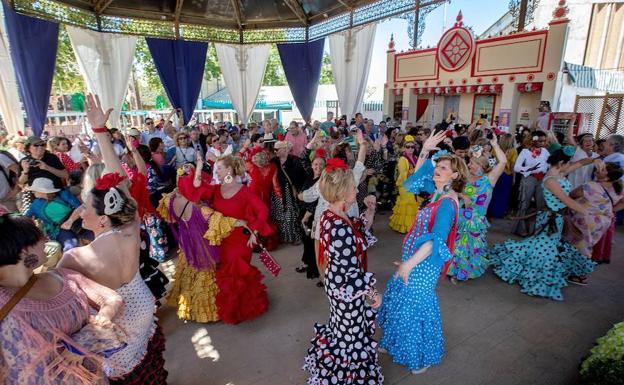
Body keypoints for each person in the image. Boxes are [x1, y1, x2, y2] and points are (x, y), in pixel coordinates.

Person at [58, 94, 167, 384]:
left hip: (118, 332)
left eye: (85, 209)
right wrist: (100, 134)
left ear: (103, 218)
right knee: (149, 364)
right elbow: (119, 182)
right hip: (144, 310)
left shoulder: (75, 259)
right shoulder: (127, 233)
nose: (81, 216)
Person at [0, 213, 125, 385]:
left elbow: (113, 299)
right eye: (39, 236)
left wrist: (85, 340)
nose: (46, 240)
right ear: (23, 250)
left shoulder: (63, 277)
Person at [378, 136, 467, 374]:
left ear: (455, 176)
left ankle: (420, 356)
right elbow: (413, 183)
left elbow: (435, 242)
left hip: (424, 264)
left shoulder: (447, 203)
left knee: (414, 308)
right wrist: (425, 152)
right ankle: (394, 341)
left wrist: (408, 265)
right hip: (412, 258)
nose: (437, 170)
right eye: (437, 166)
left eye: (443, 168)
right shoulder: (436, 192)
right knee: (399, 300)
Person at [302, 158, 383, 385]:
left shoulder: (332, 213)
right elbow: (350, 271)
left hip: (339, 285)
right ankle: (348, 376)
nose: (357, 189)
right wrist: (373, 294)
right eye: (353, 187)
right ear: (342, 191)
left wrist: (370, 211)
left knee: (342, 328)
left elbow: (358, 231)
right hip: (346, 288)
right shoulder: (337, 224)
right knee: (352, 333)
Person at [489, 147, 597, 300]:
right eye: (567, 163)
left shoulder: (560, 173)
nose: (569, 165)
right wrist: (588, 212)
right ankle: (536, 275)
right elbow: (566, 201)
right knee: (544, 247)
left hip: (557, 219)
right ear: (561, 163)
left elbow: (580, 163)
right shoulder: (551, 181)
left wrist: (596, 160)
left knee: (544, 246)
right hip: (549, 219)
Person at [157, 159, 229, 323]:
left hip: (185, 240)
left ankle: (188, 307)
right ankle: (206, 312)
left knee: (190, 271)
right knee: (205, 274)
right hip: (202, 242)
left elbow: (170, 219)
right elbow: (222, 223)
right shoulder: (199, 207)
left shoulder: (169, 199)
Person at [207, 155, 274, 324]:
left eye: (219, 168)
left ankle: (237, 310)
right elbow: (195, 194)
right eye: (216, 169)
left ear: (229, 170)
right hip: (222, 239)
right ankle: (233, 306)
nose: (217, 172)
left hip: (239, 241)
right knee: (225, 274)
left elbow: (263, 211)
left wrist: (254, 231)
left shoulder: (245, 190)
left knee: (236, 274)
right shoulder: (216, 189)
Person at [447, 136, 506, 283]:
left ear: (483, 167)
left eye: (474, 164)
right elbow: (449, 189)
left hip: (476, 221)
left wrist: (495, 145)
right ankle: (454, 270)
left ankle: (466, 271)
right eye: (470, 163)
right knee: (458, 245)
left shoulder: (489, 179)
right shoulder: (465, 177)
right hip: (460, 217)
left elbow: (503, 162)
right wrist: (462, 196)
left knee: (471, 247)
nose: (470, 166)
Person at [565, 162, 624, 262]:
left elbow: (572, 194)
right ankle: (581, 267)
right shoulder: (619, 187)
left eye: (603, 169)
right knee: (587, 244)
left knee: (576, 244)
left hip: (584, 219)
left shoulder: (591, 186)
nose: (599, 169)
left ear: (607, 177)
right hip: (603, 222)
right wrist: (612, 210)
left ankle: (575, 268)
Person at [24, 177, 85, 252]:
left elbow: (80, 207)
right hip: (58, 229)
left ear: (42, 191)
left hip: (76, 220)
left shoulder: (63, 194)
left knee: (92, 234)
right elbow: (25, 218)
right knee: (71, 245)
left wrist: (71, 220)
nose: (32, 192)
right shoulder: (35, 204)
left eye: (34, 190)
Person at [511, 130, 550, 236]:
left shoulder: (545, 151)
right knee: (524, 203)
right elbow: (516, 167)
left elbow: (549, 164)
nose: (542, 143)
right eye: (540, 141)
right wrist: (530, 169)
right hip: (529, 179)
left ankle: (538, 230)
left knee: (541, 205)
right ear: (533, 140)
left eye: (544, 141)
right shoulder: (525, 152)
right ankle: (520, 229)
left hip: (542, 179)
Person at [296, 150, 326, 283]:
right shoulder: (309, 175)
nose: (318, 167)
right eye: (315, 164)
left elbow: (317, 201)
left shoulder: (323, 180)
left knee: (317, 246)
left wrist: (307, 215)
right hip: (305, 214)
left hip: (315, 216)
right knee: (307, 243)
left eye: (321, 165)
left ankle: (320, 274)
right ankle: (308, 263)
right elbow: (303, 158)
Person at [271, 137, 307, 244]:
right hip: (277, 192)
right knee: (279, 214)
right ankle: (284, 236)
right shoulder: (273, 161)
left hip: (290, 191)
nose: (275, 151)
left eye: (277, 149)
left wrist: (299, 189)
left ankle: (295, 236)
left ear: (285, 149)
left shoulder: (295, 160)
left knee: (292, 215)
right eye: (274, 149)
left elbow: (302, 177)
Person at [389, 135, 422, 233]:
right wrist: (413, 171)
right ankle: (405, 227)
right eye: (408, 147)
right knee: (408, 204)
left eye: (412, 147)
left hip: (414, 185)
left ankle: (412, 227)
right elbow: (403, 174)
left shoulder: (416, 158)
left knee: (414, 204)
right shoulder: (402, 159)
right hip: (405, 186)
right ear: (404, 147)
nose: (410, 149)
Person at [488, 133, 518, 218]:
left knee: (494, 194)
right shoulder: (513, 151)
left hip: (496, 173)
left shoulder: (495, 149)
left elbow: (492, 161)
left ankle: (491, 211)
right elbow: (512, 166)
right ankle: (499, 213)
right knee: (504, 195)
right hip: (506, 175)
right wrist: (514, 177)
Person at [566, 121, 599, 190]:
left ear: (593, 142)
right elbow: (569, 138)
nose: (588, 142)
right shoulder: (577, 151)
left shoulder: (596, 156)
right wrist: (572, 121)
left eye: (590, 140)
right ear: (581, 143)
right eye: (585, 141)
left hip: (587, 186)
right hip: (572, 183)